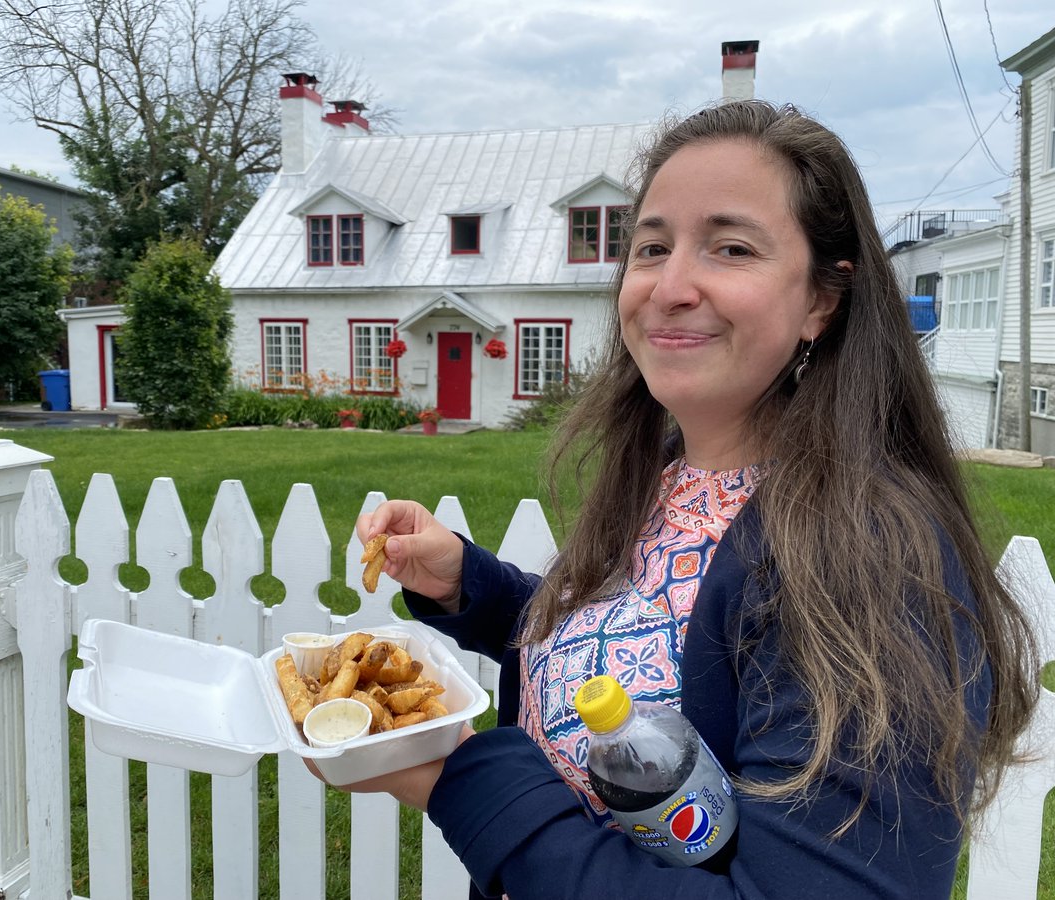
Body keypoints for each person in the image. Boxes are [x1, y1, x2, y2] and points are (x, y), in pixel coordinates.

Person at [335, 101, 1040, 899]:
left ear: (822, 299)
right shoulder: (675, 474)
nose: (670, 287)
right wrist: (469, 584)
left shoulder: (868, 557)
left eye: (731, 247)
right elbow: (645, 658)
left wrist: (460, 777)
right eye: (653, 247)